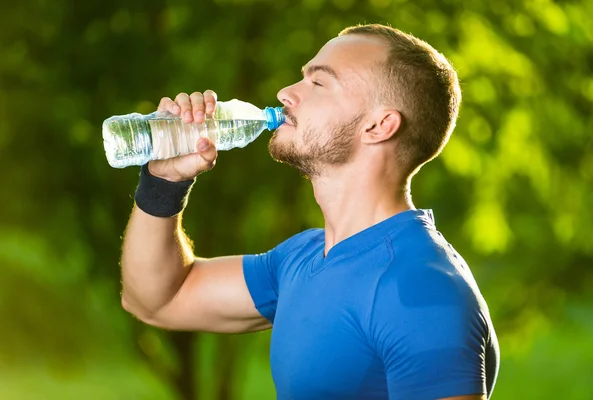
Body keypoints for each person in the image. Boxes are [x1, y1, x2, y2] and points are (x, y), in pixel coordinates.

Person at [120, 23, 500, 400]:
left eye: (318, 83)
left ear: (379, 125)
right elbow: (155, 300)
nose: (286, 92)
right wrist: (163, 181)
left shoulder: (420, 289)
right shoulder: (301, 259)